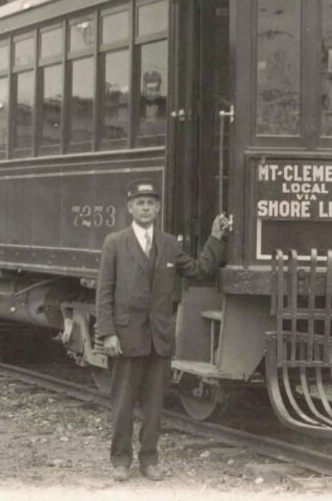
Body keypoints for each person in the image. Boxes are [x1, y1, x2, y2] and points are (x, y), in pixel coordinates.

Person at [95, 179, 232, 482]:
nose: (145, 207)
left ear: (157, 209)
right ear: (130, 207)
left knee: (155, 405)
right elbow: (104, 292)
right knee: (122, 404)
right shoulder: (114, 242)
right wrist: (107, 333)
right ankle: (120, 461)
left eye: (150, 203)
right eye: (139, 203)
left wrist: (215, 239)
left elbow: (198, 269)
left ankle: (149, 460)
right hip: (126, 336)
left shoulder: (169, 244)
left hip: (159, 339)